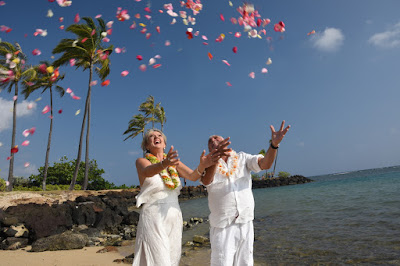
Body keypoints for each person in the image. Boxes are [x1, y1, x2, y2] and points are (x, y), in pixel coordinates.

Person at [132, 129, 229, 266]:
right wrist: (164, 164)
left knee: (172, 258)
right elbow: (147, 172)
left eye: (159, 136)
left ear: (164, 144)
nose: (156, 138)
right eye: (151, 137)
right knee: (158, 259)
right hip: (153, 215)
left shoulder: (174, 163)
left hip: (174, 214)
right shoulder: (141, 161)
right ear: (147, 146)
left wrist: (203, 165)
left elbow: (193, 176)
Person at [201, 121, 290, 266]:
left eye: (216, 138)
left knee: (246, 262)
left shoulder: (242, 158)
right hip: (223, 225)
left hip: (246, 221)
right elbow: (206, 181)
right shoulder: (206, 165)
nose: (213, 141)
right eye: (210, 142)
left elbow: (265, 164)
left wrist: (274, 145)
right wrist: (215, 159)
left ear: (226, 143)